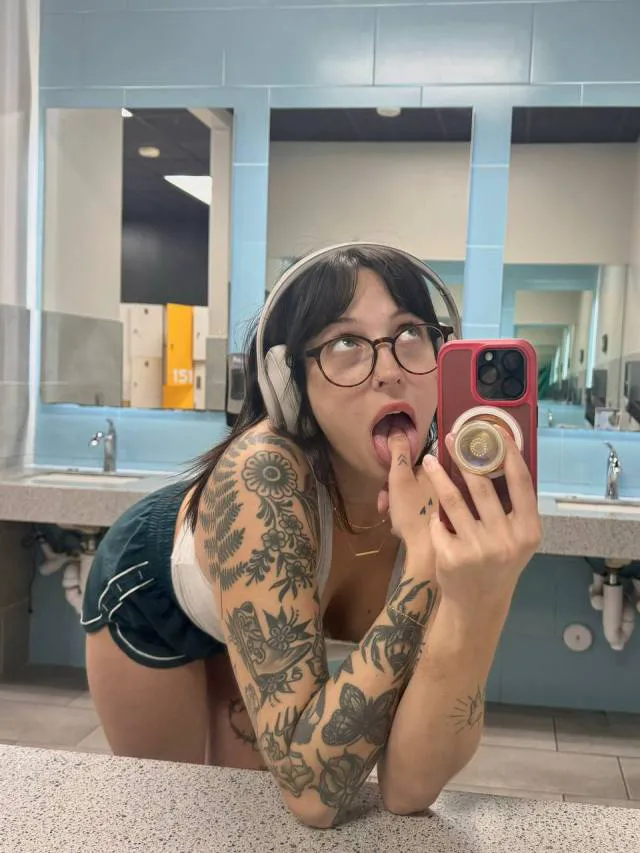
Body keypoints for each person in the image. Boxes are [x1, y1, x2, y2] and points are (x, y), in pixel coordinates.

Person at [82, 244, 542, 828]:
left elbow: (408, 789)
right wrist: (426, 564)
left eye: (409, 333)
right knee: (174, 813)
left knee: (253, 813)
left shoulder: (448, 487)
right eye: (345, 342)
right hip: (156, 601)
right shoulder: (262, 476)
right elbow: (316, 794)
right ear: (290, 383)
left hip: (265, 623)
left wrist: (483, 595)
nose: (390, 369)